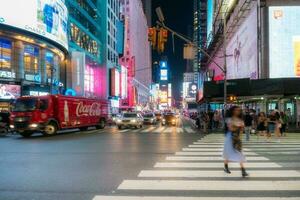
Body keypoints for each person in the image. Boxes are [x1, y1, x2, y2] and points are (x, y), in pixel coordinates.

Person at [223, 106, 249, 178]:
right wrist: (239, 125)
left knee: (239, 153)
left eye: (239, 110)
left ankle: (243, 170)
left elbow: (241, 130)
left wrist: (240, 135)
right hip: (230, 137)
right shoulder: (229, 119)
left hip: (237, 138)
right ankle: (226, 166)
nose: (238, 111)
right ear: (233, 111)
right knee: (228, 153)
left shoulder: (240, 119)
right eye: (236, 110)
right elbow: (231, 128)